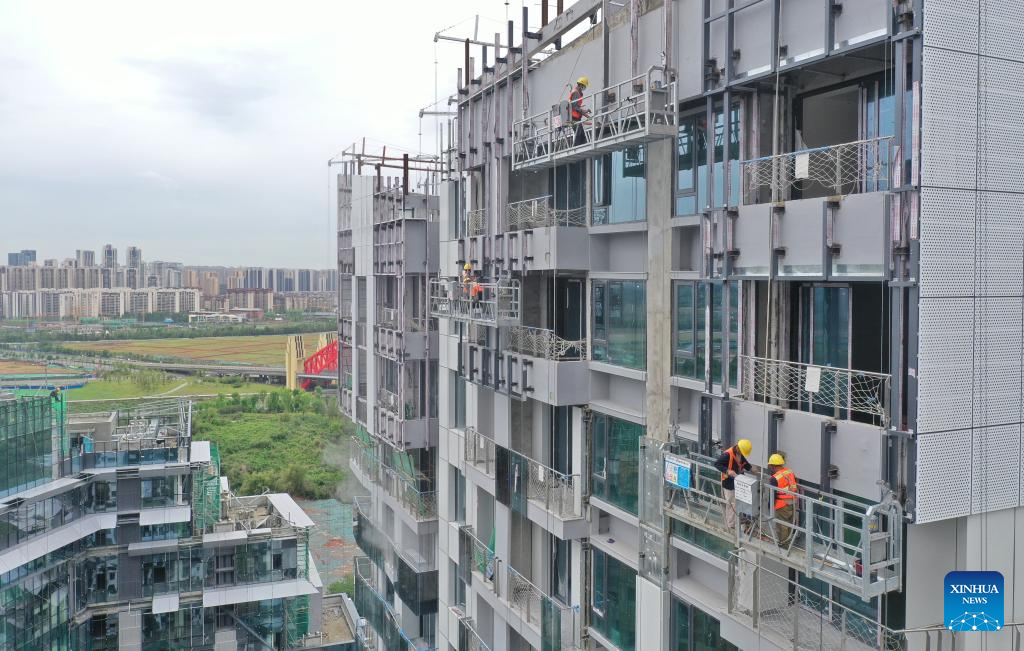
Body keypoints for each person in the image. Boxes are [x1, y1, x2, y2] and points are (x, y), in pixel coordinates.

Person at [714, 438, 752, 530]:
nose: (742, 454)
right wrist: (727, 471)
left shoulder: (739, 453)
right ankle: (731, 524)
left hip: (738, 482)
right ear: (738, 448)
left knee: (739, 502)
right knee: (732, 503)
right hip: (729, 483)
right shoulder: (727, 454)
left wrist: (753, 470)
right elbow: (717, 464)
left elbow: (745, 464)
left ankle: (739, 520)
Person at [768, 453, 798, 546]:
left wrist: (770, 505)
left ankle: (784, 545)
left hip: (782, 504)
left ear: (773, 466)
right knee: (790, 523)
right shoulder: (790, 472)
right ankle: (789, 542)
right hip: (793, 502)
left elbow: (772, 494)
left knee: (782, 525)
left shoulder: (774, 478)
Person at [568, 76, 591, 146]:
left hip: (575, 117)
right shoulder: (576, 93)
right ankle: (575, 148)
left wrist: (585, 113)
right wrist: (584, 112)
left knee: (581, 134)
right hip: (573, 117)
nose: (584, 88)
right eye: (584, 86)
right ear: (581, 85)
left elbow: (577, 107)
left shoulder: (578, 93)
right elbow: (575, 106)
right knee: (579, 133)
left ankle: (584, 147)